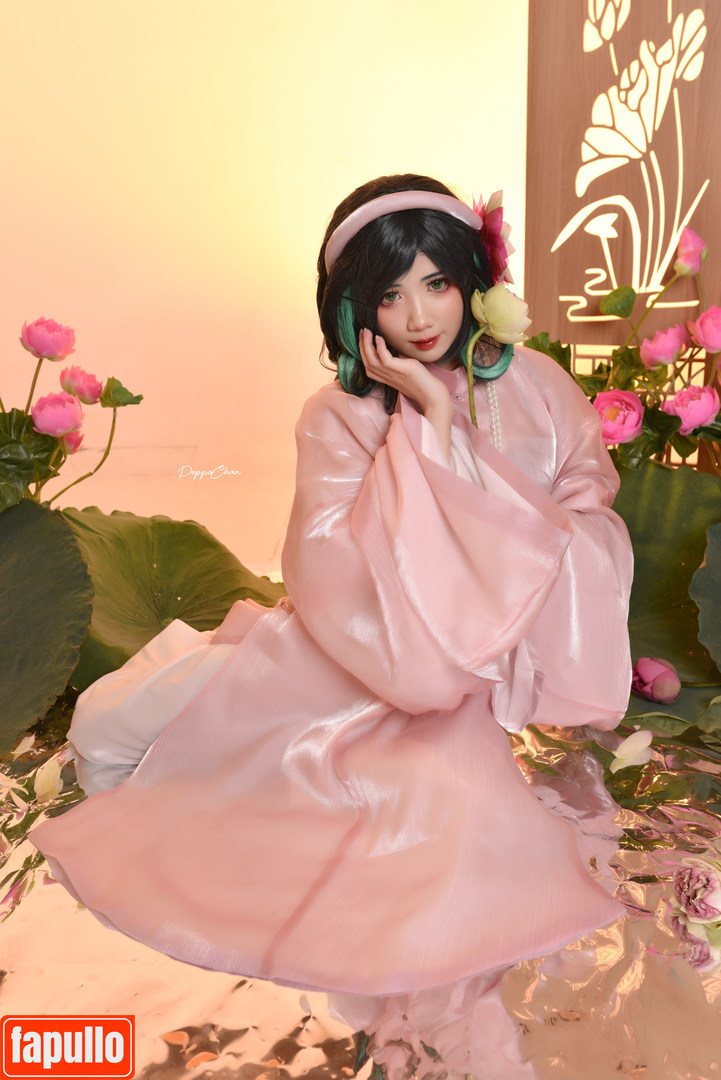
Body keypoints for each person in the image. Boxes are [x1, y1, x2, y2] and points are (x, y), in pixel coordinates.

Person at [32, 173, 633, 1079]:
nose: (419, 316)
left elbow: (585, 524)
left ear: (473, 281)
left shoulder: (536, 387)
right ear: (355, 310)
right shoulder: (338, 414)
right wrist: (429, 425)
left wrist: (455, 448)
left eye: (437, 282)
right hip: (335, 662)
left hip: (457, 688)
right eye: (389, 295)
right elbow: (336, 575)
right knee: (108, 732)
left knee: (437, 864)